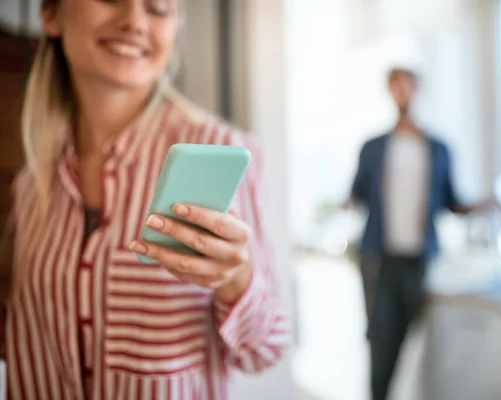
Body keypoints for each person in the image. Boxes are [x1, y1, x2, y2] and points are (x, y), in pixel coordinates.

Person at [0, 0, 289, 398]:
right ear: (51, 14)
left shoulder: (220, 150)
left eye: (158, 8)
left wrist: (236, 281)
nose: (135, 20)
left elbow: (266, 348)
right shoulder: (31, 181)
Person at [346, 68, 494, 400]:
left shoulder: (439, 148)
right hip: (380, 262)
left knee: (424, 350)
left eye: (407, 86)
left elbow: (454, 204)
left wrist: (491, 201)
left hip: (422, 262)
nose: (402, 93)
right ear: (388, 91)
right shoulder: (372, 147)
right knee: (381, 347)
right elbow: (356, 194)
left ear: (418, 91)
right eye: (395, 86)